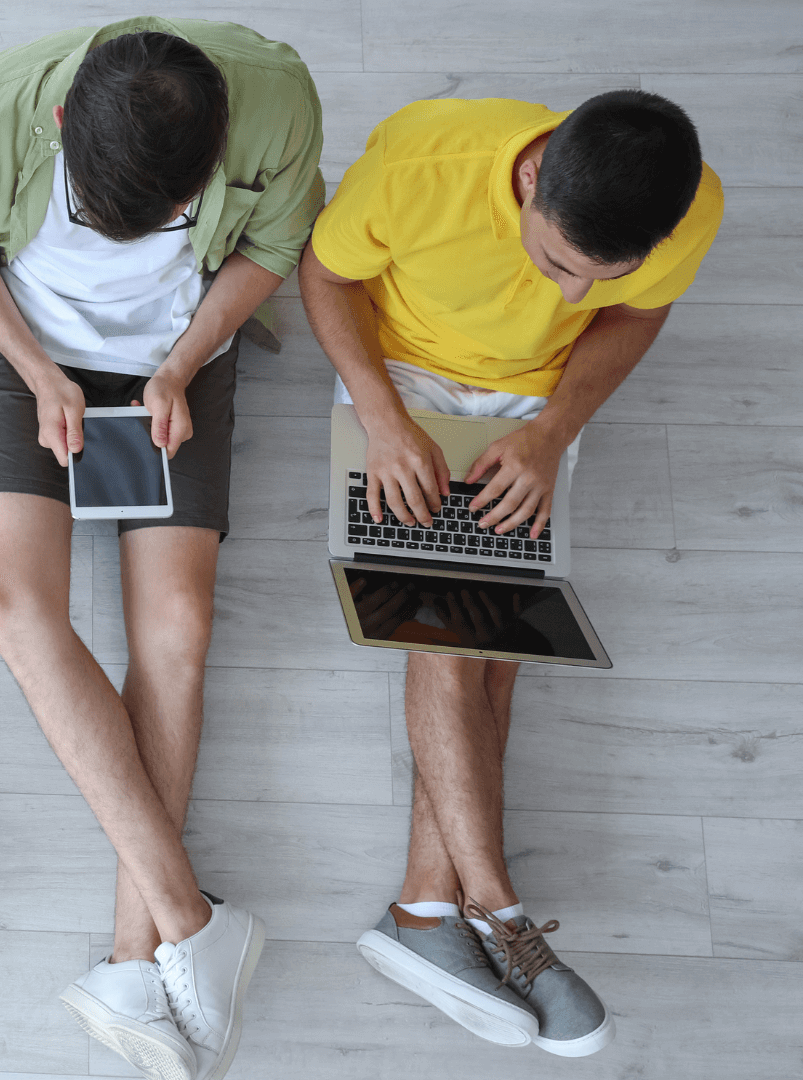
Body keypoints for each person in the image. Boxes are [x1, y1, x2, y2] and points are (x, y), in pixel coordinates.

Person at [0, 19, 323, 1080]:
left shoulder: (277, 100)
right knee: (9, 606)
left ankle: (138, 958)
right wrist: (42, 375)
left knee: (179, 629)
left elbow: (274, 246)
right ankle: (194, 920)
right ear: (58, 128)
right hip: (29, 353)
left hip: (182, 364)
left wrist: (182, 365)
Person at [298, 89, 721, 1058]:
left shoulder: (688, 207)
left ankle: (421, 912)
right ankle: (495, 913)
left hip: (536, 404)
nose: (571, 297)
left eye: (596, 278)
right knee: (449, 626)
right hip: (405, 371)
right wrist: (382, 415)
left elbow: (635, 316)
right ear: (530, 181)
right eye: (557, 266)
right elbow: (324, 278)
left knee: (501, 641)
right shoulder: (418, 171)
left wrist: (552, 432)